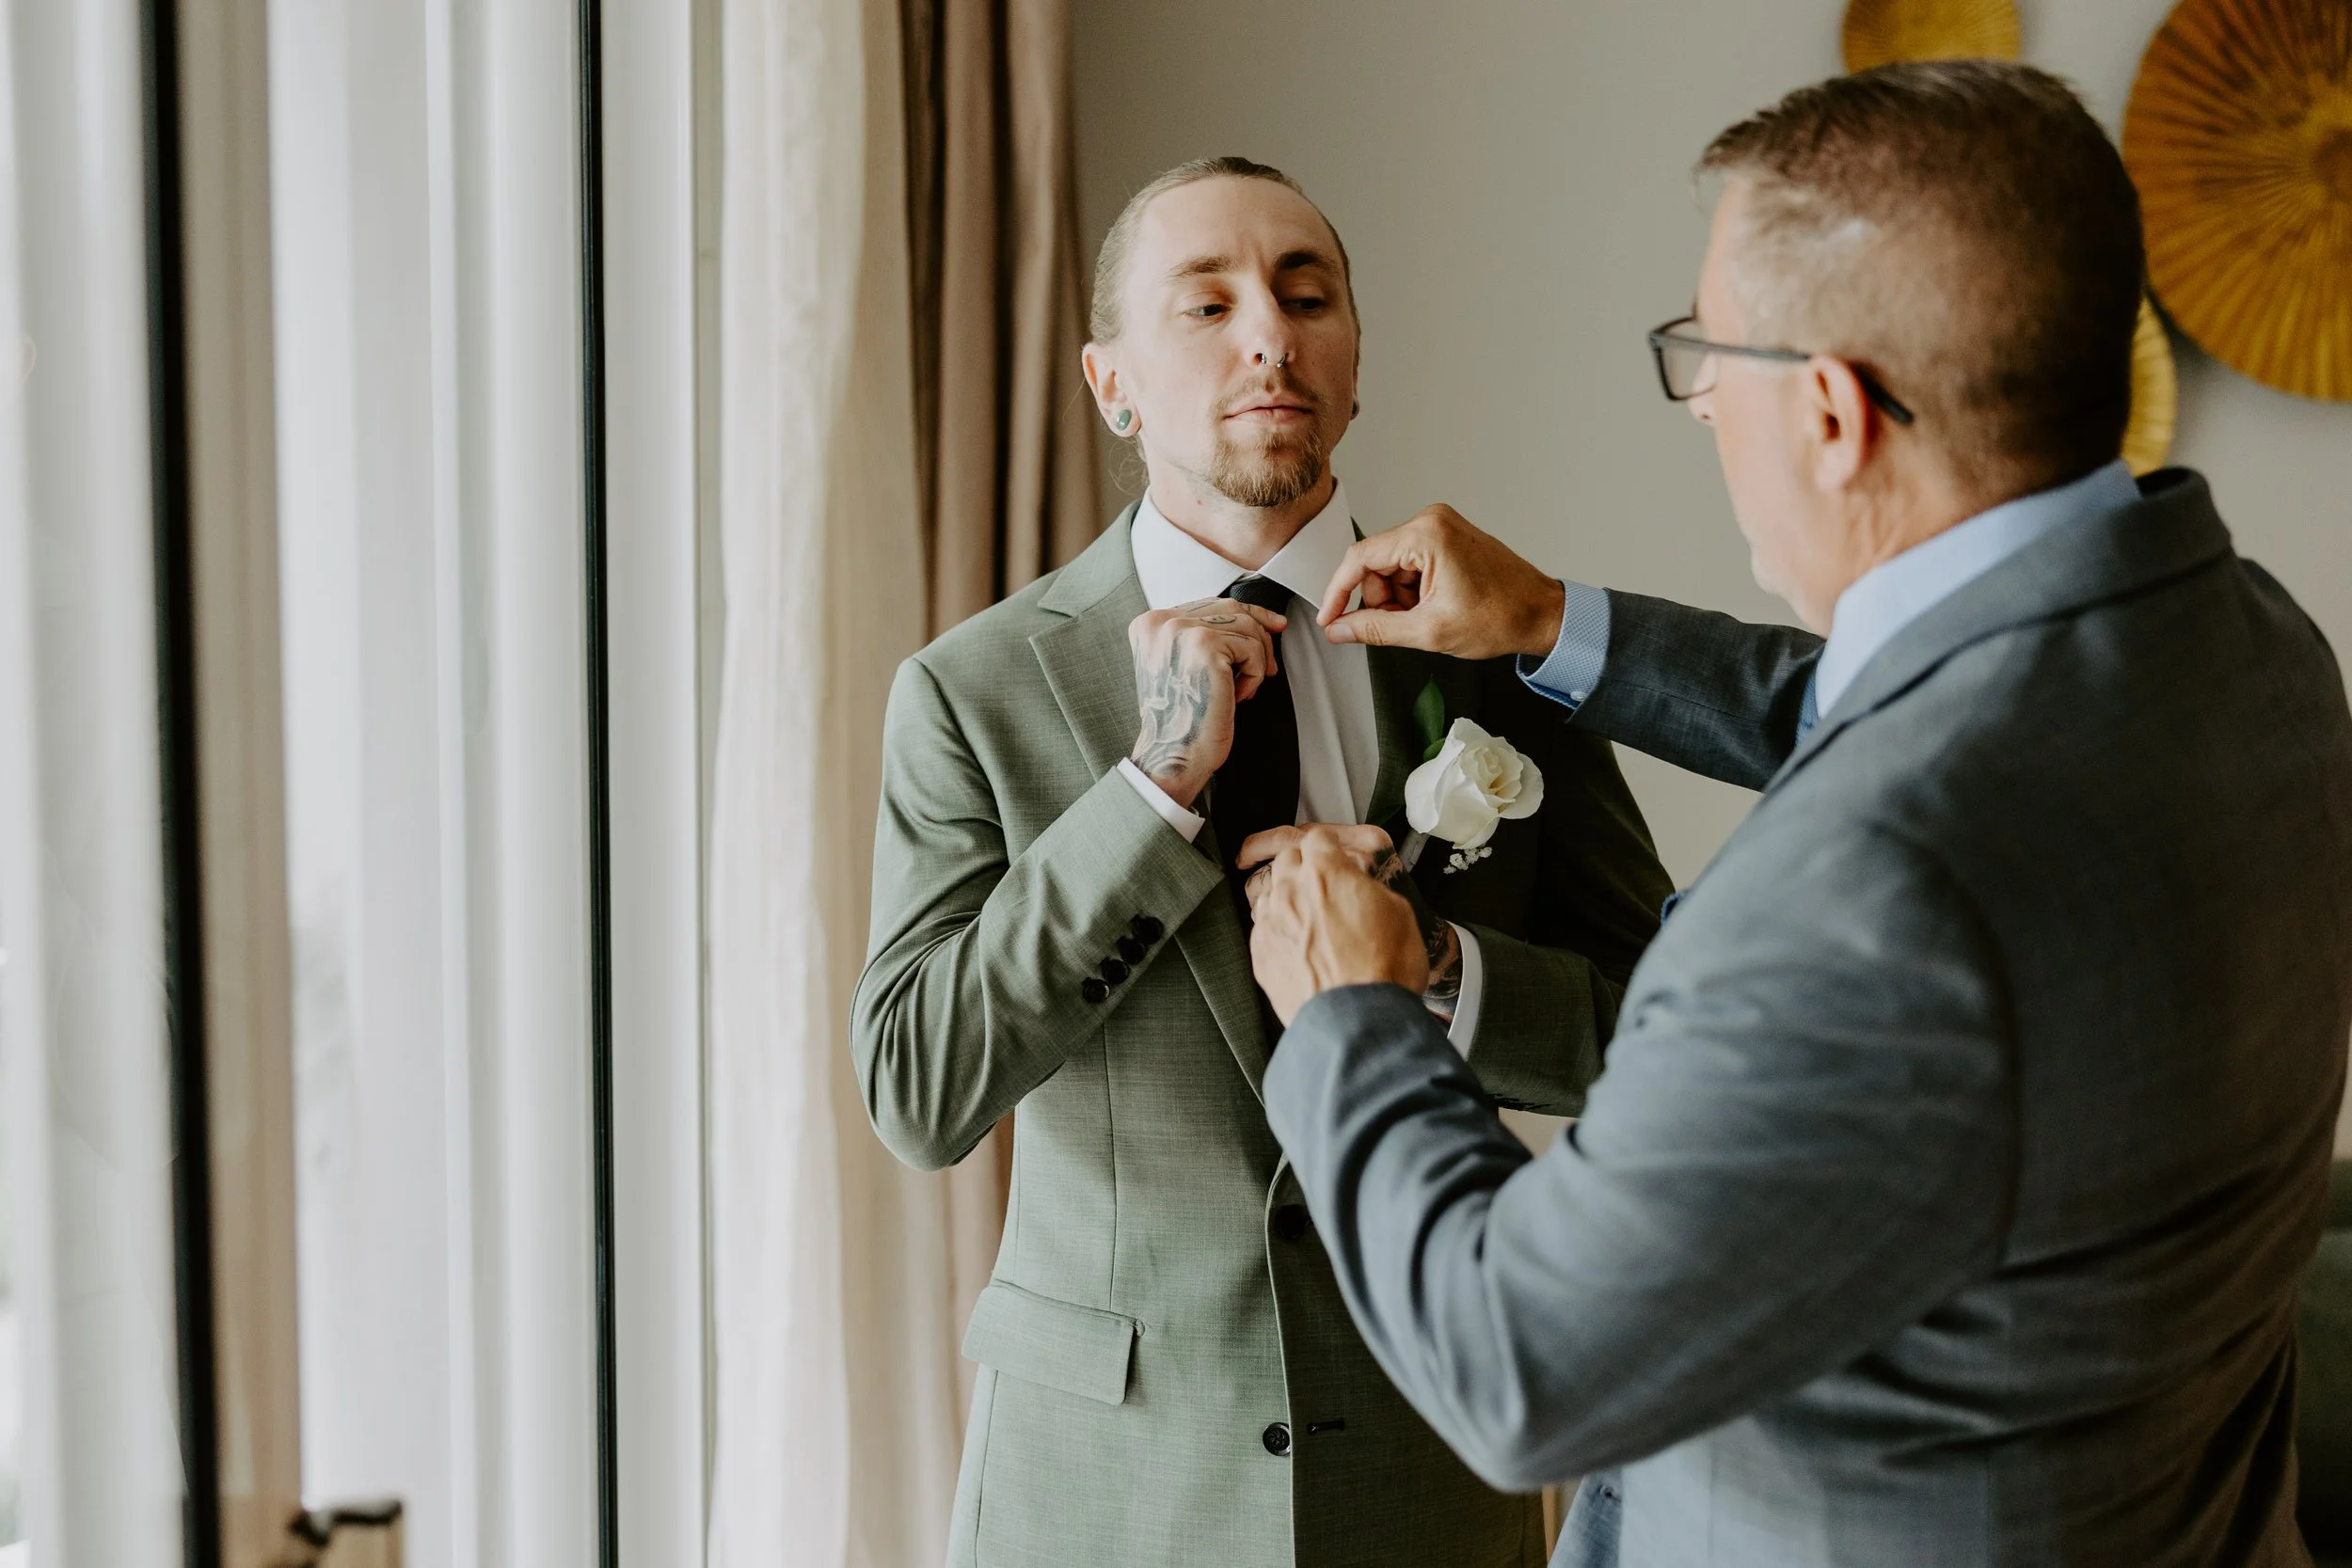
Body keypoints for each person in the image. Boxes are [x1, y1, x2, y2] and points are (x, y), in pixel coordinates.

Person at [1245, 62, 2352, 1566]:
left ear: (1831, 411)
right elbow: (1924, 699)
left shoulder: (1869, 894)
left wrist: (1350, 1014)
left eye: (1712, 353)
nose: (1700, 398)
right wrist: (1556, 622)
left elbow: (1520, 1364)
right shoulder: (2246, 645)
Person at [850, 156, 1674, 1566]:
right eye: (1208, 302)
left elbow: (1673, 1038)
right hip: (1102, 1489)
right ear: (1112, 385)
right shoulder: (970, 690)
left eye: (1308, 295)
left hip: (1427, 1459)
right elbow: (918, 1086)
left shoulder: (1498, 662)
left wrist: (1439, 975)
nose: (1269, 334)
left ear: (1355, 366)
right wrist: (1147, 792)